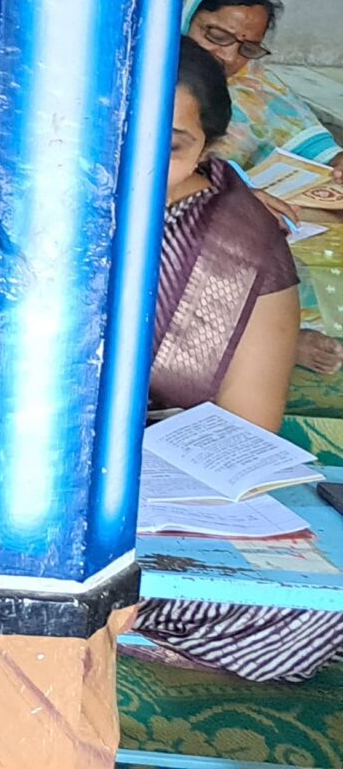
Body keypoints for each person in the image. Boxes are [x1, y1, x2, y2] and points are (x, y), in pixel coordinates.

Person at [132, 43, 343, 682]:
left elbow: (242, 434)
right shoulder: (39, 205)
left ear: (209, 147)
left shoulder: (239, 242)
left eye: (171, 146)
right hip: (19, 474)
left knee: (305, 612)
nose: (138, 161)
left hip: (151, 494)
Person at [183, 0, 340, 174]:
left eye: (248, 49)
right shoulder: (143, 82)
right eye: (218, 36)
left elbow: (315, 151)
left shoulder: (255, 90)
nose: (230, 57)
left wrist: (336, 161)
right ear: (180, 18)